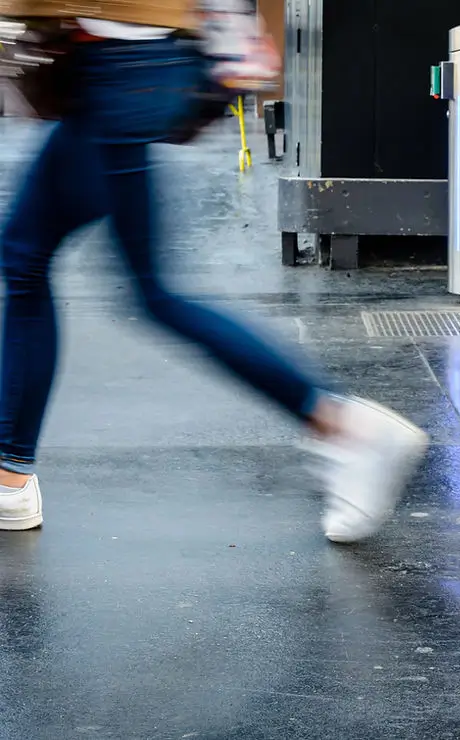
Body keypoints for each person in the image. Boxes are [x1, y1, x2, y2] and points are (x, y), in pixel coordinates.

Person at [0, 4, 428, 542]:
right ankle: (10, 478)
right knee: (24, 255)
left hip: (117, 61)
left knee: (153, 291)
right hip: (114, 61)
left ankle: (341, 424)